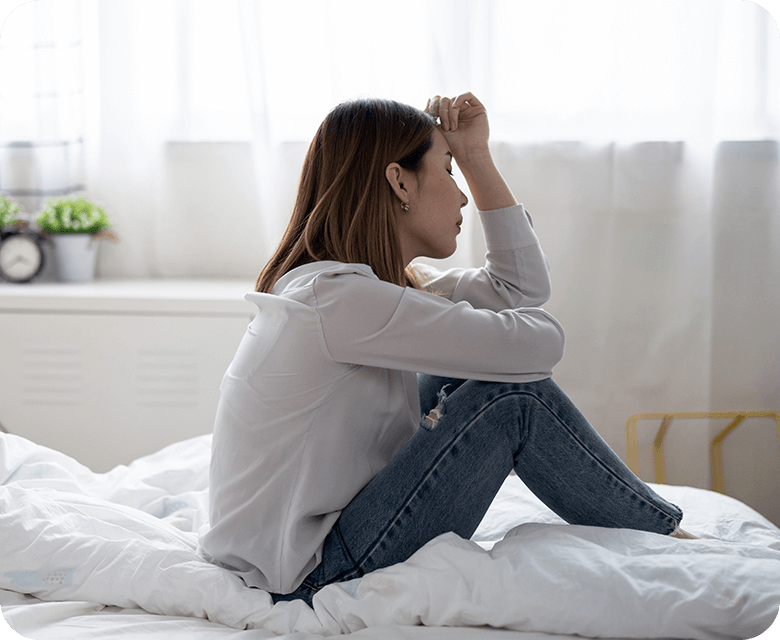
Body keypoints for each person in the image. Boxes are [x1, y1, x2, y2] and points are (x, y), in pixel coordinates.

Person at [200, 92, 695, 607]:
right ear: (399, 182)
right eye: (450, 170)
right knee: (512, 402)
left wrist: (476, 155)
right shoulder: (342, 300)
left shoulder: (348, 289)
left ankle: (652, 524)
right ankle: (663, 534)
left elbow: (518, 288)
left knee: (472, 378)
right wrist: (493, 340)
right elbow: (538, 347)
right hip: (309, 574)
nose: (462, 197)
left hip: (305, 552)